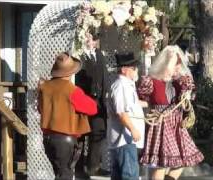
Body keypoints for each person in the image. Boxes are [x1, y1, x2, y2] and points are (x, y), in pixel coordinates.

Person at [138, 45, 204, 180]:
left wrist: (185, 92)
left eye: (178, 65)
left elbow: (188, 92)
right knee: (160, 164)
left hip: (176, 125)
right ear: (166, 65)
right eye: (175, 65)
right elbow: (141, 100)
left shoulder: (179, 82)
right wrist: (150, 109)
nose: (177, 69)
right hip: (160, 125)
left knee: (183, 158)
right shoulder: (152, 81)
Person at [37, 52, 97, 180]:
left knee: (59, 174)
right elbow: (92, 108)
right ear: (71, 72)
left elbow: (40, 108)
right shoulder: (73, 91)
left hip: (48, 138)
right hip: (65, 140)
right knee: (65, 175)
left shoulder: (45, 87)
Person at [107, 52, 147, 180]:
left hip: (126, 139)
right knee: (129, 175)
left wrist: (151, 105)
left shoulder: (127, 85)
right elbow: (121, 113)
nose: (136, 71)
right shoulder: (121, 86)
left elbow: (132, 104)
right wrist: (133, 129)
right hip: (124, 139)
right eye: (133, 68)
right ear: (124, 70)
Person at [75, 32, 109, 178]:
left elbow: (104, 77)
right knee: (80, 135)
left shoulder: (100, 55)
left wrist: (104, 95)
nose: (91, 41)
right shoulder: (78, 56)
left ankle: (93, 167)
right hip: (82, 100)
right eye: (88, 38)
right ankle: (78, 168)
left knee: (98, 133)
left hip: (98, 102)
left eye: (93, 39)